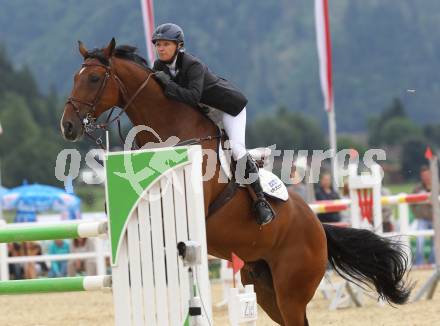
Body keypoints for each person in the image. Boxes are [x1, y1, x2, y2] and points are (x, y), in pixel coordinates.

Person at [151, 23, 274, 225]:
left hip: (228, 108)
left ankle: (260, 201)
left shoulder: (192, 65)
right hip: (206, 112)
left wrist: (167, 84)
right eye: (158, 44)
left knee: (235, 148)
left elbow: (191, 97)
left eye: (165, 44)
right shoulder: (159, 67)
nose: (161, 48)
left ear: (178, 46)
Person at [411, 165, 434, 265]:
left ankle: (433, 262)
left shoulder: (437, 186)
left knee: (437, 241)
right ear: (421, 176)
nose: (426, 177)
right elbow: (411, 204)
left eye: (427, 175)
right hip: (422, 219)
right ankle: (419, 263)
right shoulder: (417, 189)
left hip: (436, 219)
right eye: (424, 175)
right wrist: (418, 215)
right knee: (420, 240)